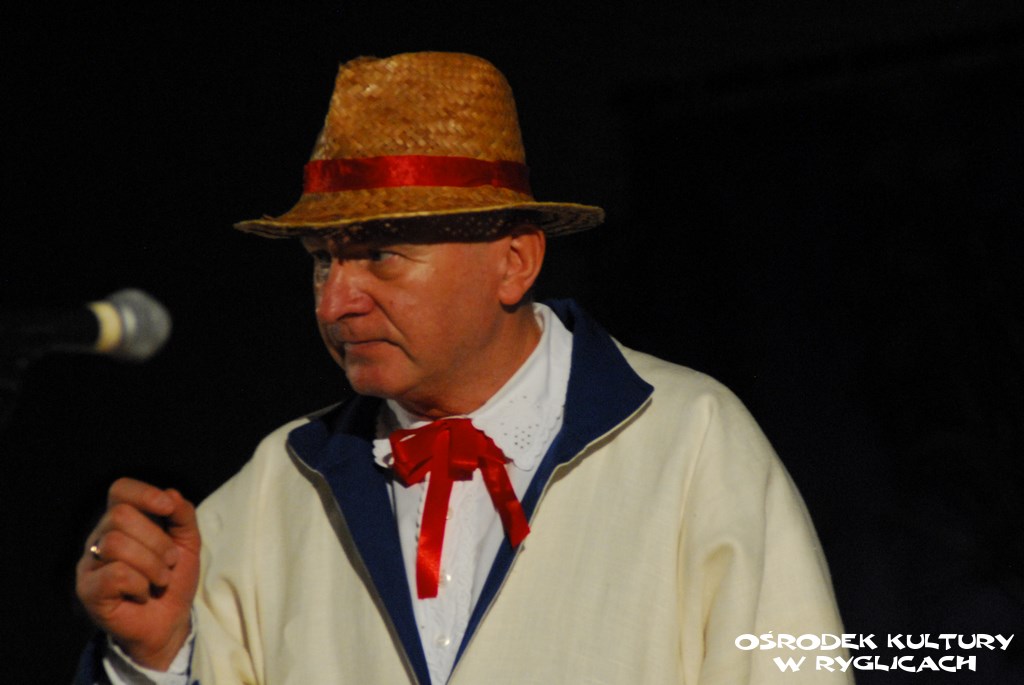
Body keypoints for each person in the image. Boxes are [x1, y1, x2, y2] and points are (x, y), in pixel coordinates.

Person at [75, 51, 851, 684]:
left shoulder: (687, 440)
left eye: (381, 254)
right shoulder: (280, 488)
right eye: (321, 261)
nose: (336, 301)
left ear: (513, 262)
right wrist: (153, 660)